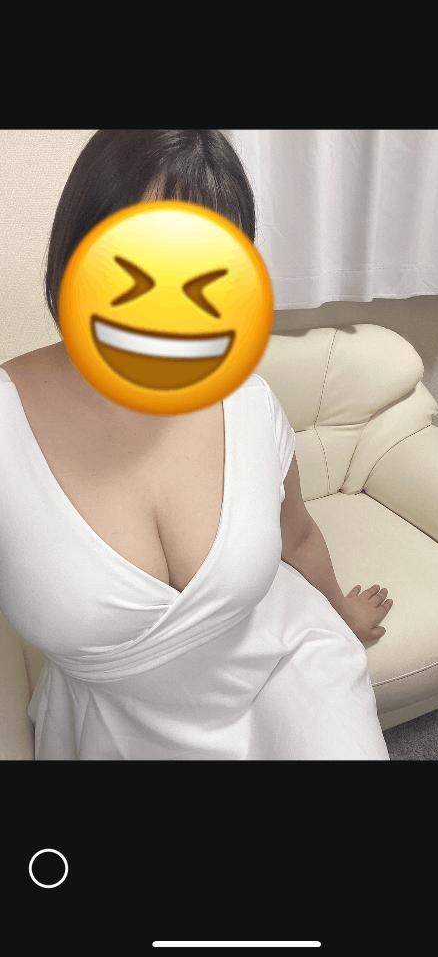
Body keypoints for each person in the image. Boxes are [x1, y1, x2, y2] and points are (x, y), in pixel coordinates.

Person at [0, 129, 392, 760]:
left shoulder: (247, 400)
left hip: (286, 670)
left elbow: (295, 535)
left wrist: (341, 614)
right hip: (114, 722)